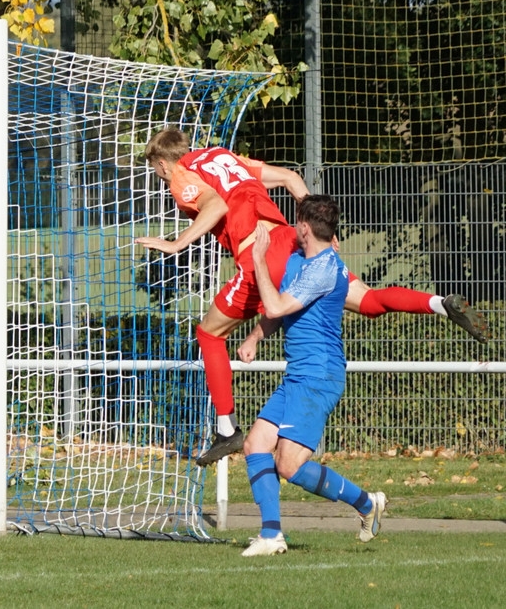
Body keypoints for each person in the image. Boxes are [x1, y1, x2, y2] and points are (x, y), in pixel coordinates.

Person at [135, 127, 490, 466]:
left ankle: (226, 429)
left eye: (156, 171)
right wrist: (319, 232)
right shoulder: (223, 157)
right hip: (294, 242)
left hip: (260, 254)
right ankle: (439, 304)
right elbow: (290, 178)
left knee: (209, 334)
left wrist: (176, 243)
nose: (161, 177)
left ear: (162, 164)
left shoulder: (179, 174)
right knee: (367, 300)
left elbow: (216, 206)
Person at [236, 194, 385, 556]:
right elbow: (280, 310)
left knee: (289, 465)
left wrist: (258, 258)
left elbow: (275, 305)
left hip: (318, 376)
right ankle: (271, 535)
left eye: (296, 222)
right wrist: (255, 337)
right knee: (255, 444)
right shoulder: (297, 261)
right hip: (298, 374)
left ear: (303, 227)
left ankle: (367, 503)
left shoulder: (323, 269)